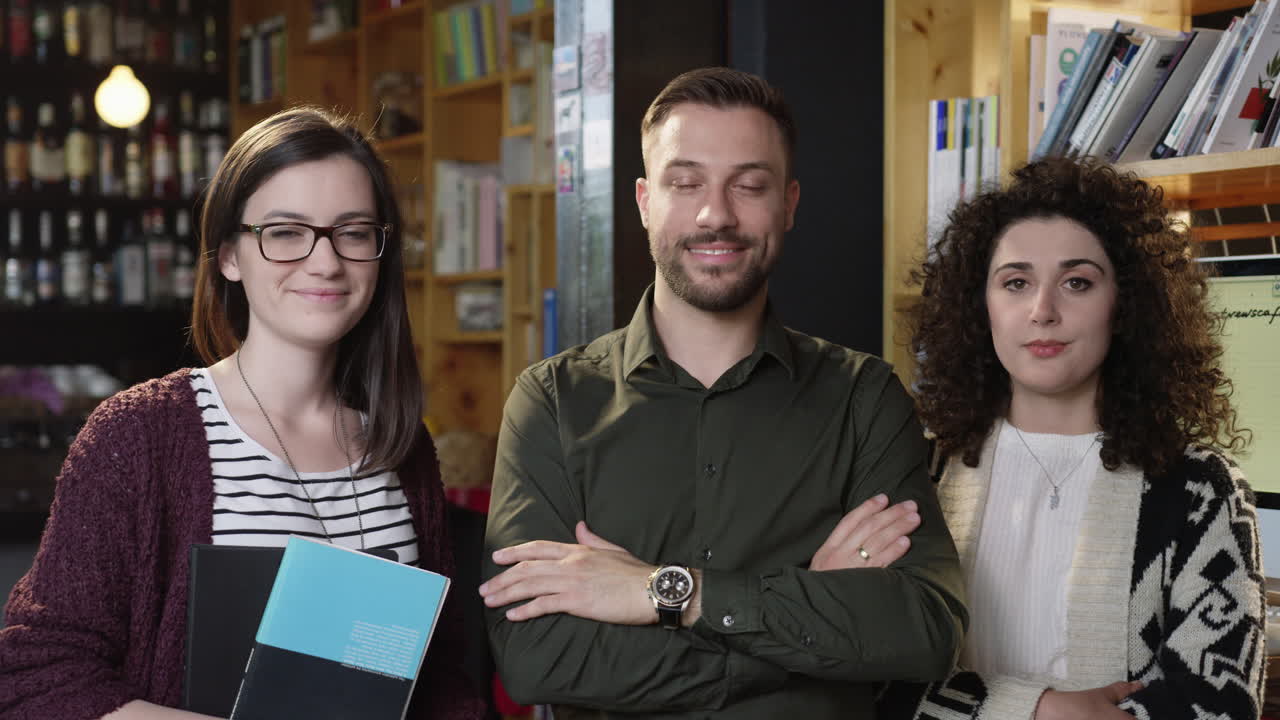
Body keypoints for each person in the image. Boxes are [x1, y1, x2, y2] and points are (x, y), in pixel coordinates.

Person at [478, 67, 967, 718]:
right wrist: (805, 622)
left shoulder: (863, 398)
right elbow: (538, 658)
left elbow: (924, 631)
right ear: (645, 200)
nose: (717, 214)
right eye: (686, 183)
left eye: (750, 184)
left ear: (788, 203)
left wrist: (668, 594)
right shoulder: (552, 402)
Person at [0, 107, 484, 720]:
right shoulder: (139, 435)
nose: (325, 261)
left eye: (353, 232)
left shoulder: (402, 444)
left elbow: (442, 681)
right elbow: (39, 673)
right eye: (285, 232)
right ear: (229, 255)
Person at [870, 157, 1266, 719]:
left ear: (1124, 305)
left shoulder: (1202, 489)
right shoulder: (915, 471)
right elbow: (871, 681)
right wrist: (1042, 709)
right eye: (1016, 282)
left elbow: (1220, 706)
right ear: (980, 307)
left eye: (1077, 282)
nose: (1043, 311)